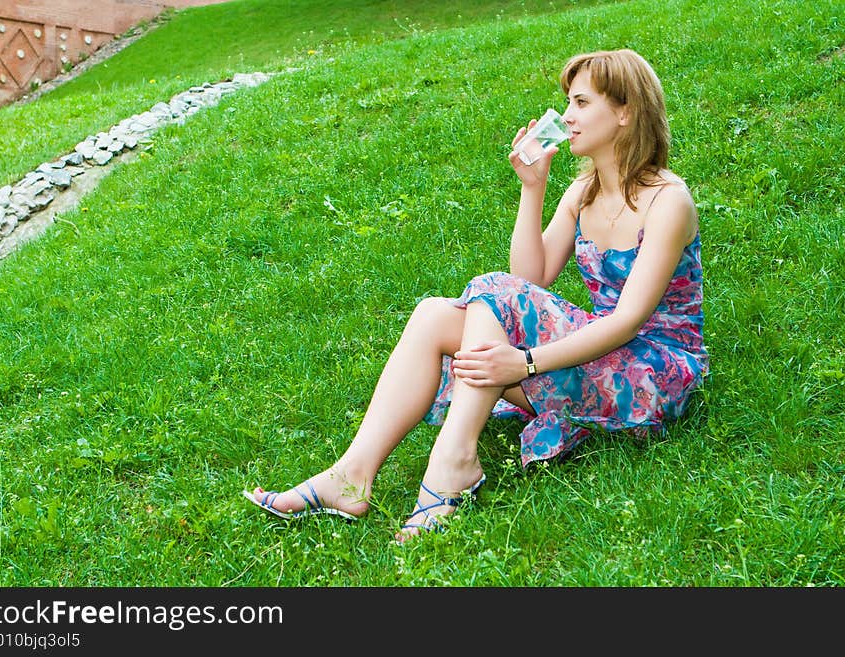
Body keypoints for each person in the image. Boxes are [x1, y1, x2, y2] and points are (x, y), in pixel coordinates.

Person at [243, 48, 709, 542]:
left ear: (625, 112)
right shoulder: (583, 192)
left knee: (492, 294)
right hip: (600, 351)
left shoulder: (668, 201)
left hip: (654, 371)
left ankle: (454, 464)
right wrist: (533, 188)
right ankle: (351, 476)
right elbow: (533, 276)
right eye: (567, 102)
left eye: (581, 102)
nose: (567, 116)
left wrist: (526, 363)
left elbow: (628, 321)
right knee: (432, 316)